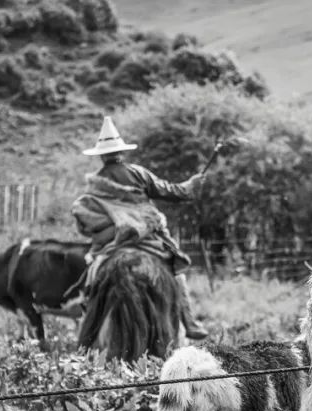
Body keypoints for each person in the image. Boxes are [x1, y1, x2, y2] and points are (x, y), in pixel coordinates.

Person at [71, 116, 210, 340]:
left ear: (101, 156)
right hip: (148, 237)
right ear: (121, 152)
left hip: (113, 240)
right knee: (176, 272)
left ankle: (87, 307)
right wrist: (191, 184)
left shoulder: (95, 182)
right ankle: (189, 320)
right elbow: (173, 192)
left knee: (94, 269)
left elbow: (86, 216)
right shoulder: (138, 173)